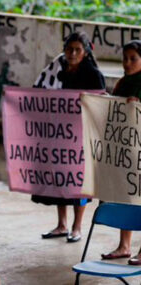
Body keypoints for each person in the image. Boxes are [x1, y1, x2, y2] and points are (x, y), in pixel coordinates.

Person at [33, 31, 105, 242]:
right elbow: (39, 91)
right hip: (57, 134)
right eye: (69, 49)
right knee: (59, 178)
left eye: (77, 50)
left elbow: (99, 103)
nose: (72, 53)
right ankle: (62, 224)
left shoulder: (92, 74)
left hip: (81, 137)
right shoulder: (56, 69)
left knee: (78, 181)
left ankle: (77, 227)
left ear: (85, 52)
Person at [101, 40, 141, 263]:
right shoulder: (122, 84)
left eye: (133, 58)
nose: (127, 63)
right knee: (127, 197)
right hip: (125, 151)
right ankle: (124, 245)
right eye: (125, 58)